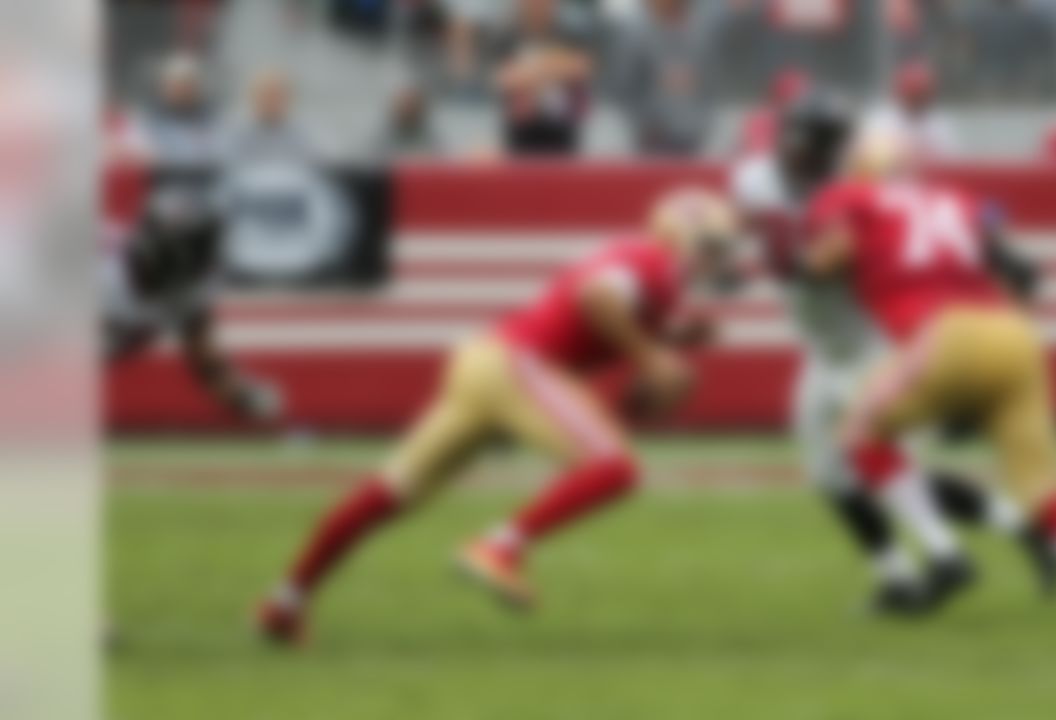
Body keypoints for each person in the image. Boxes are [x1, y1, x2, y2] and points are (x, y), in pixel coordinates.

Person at [258, 187, 743, 645]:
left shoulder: (648, 269)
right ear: (677, 234)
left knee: (390, 492)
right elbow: (595, 298)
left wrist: (668, 343)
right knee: (614, 468)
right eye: (710, 244)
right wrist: (652, 357)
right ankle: (500, 546)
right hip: (519, 363)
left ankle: (286, 601)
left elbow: (610, 332)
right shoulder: (654, 262)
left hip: (487, 361)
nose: (716, 256)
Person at [800, 132, 1056, 627]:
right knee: (1042, 488)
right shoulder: (959, 200)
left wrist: (795, 260)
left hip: (942, 333)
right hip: (1016, 336)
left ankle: (945, 555)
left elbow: (827, 258)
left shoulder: (850, 198)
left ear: (863, 166)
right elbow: (1013, 256)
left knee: (857, 437)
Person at [731, 91, 1056, 615]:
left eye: (816, 147)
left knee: (884, 466)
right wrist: (727, 256)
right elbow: (747, 225)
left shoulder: (859, 191)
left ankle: (972, 547)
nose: (801, 155)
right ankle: (900, 575)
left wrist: (1001, 255)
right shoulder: (756, 176)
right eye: (797, 142)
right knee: (831, 474)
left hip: (873, 342)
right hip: (823, 348)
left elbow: (926, 225)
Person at [102, 194, 283, 424]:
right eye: (200, 248)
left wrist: (244, 397)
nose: (206, 259)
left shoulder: (188, 292)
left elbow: (207, 363)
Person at [613, 0, 726, 157]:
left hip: (693, 133)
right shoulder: (636, 32)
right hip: (652, 135)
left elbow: (712, 81)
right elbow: (624, 85)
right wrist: (645, 122)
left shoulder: (700, 30)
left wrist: (703, 119)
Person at [491, 0, 595, 156]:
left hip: (563, 128)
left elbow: (582, 67)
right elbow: (504, 79)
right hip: (521, 128)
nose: (538, 5)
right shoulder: (506, 32)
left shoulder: (570, 31)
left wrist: (530, 72)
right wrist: (554, 66)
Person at [863, 61, 960, 161]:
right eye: (912, 92)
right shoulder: (882, 121)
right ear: (900, 92)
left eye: (922, 93)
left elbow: (950, 159)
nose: (917, 97)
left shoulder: (939, 123)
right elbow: (869, 160)